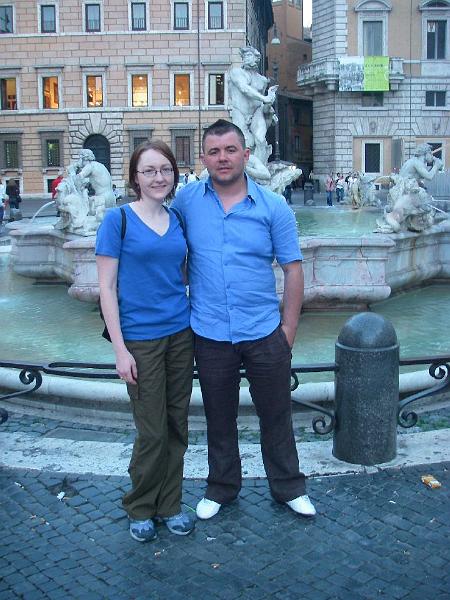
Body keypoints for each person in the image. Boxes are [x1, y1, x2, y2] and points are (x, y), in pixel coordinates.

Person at [172, 119, 316, 521]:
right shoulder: (186, 202)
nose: (222, 158)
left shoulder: (273, 206)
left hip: (264, 330)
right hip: (210, 331)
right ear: (204, 158)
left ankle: (288, 487)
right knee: (219, 417)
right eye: (214, 151)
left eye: (230, 150)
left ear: (246, 154)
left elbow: (293, 269)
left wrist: (287, 332)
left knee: (277, 415)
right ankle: (221, 488)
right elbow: (171, 253)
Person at [95, 140, 195, 542]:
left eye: (165, 170)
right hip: (140, 339)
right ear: (135, 177)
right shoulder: (117, 220)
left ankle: (169, 504)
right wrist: (120, 349)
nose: (159, 178)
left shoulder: (177, 220)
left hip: (180, 333)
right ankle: (140, 505)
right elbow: (106, 288)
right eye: (150, 170)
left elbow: (183, 276)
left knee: (177, 424)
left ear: (174, 175)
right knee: (151, 428)